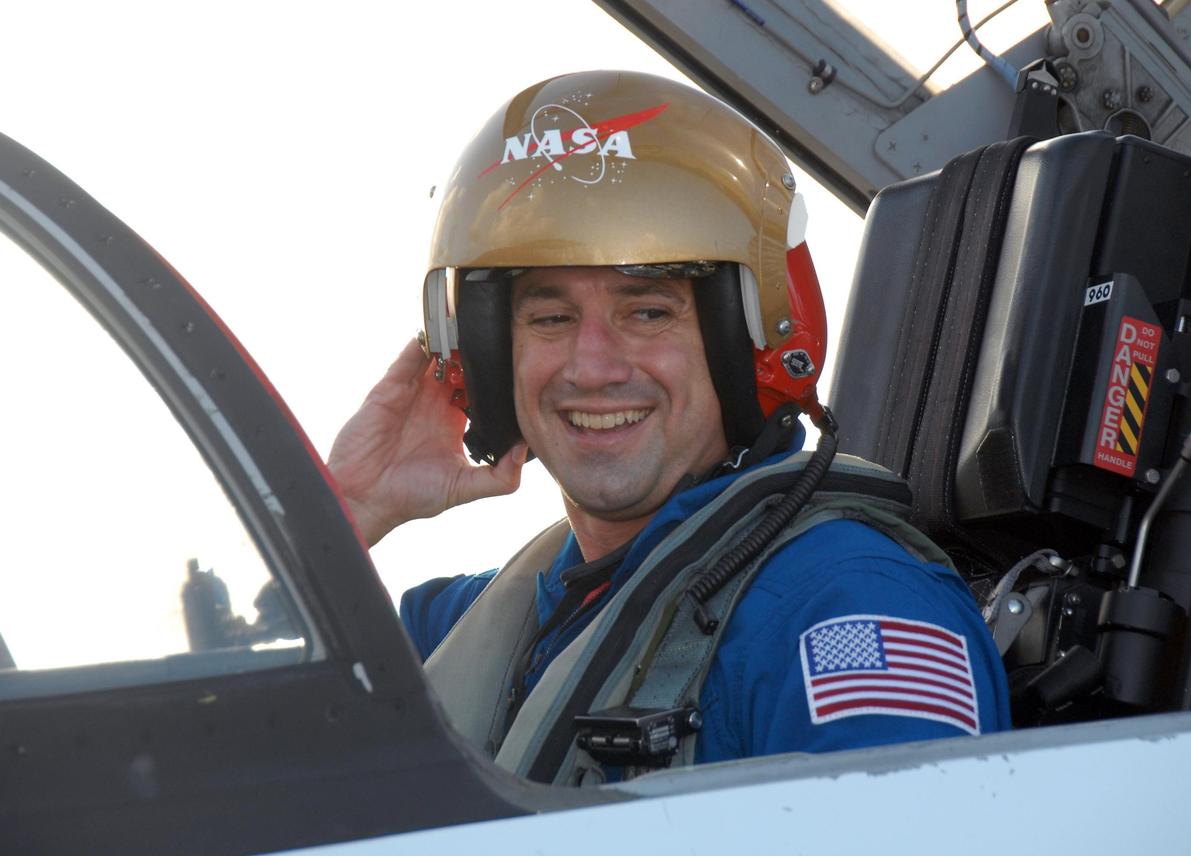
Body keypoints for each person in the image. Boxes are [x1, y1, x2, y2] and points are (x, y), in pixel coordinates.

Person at [328, 70, 1009, 784]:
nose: (591, 368)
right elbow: (231, 759)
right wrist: (346, 509)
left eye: (647, 311)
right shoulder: (461, 631)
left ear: (744, 342)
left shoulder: (849, 610)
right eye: (550, 318)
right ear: (488, 360)